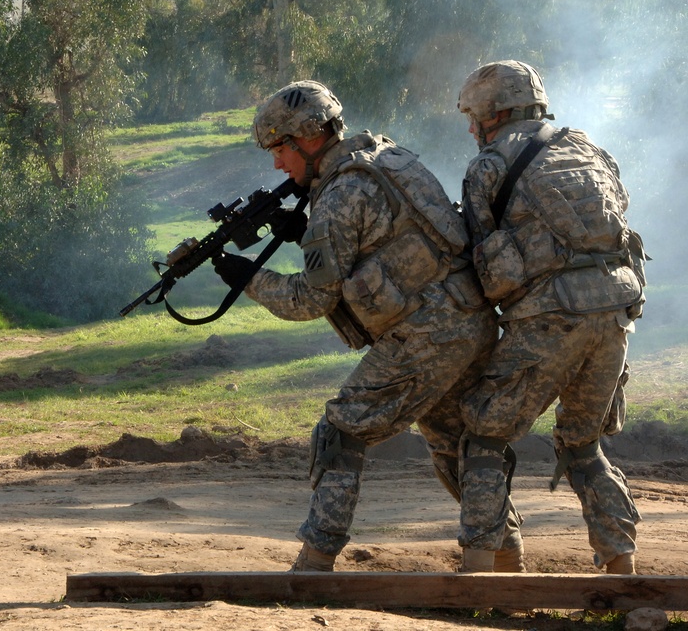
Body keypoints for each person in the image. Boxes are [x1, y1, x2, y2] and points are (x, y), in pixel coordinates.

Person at [212, 80, 524, 572]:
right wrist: (306, 233)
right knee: (453, 444)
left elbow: (308, 300)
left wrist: (248, 276)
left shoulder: (338, 195)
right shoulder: (387, 156)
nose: (277, 164)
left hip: (425, 335)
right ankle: (499, 560)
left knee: (341, 430)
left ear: (308, 138)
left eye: (280, 150)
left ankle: (315, 560)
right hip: (469, 319)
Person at [455, 60, 647, 573]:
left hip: (549, 315)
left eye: (474, 117)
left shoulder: (488, 167)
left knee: (483, 434)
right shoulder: (590, 149)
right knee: (584, 443)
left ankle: (482, 572)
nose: (472, 129)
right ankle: (622, 569)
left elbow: (481, 261)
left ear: (494, 114)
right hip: (615, 314)